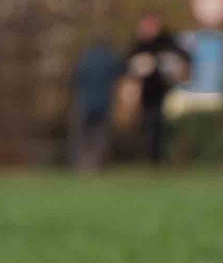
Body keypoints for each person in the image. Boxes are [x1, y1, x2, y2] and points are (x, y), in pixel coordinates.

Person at [123, 14, 190, 164]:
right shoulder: (139, 45)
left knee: (161, 125)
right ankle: (146, 156)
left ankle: (159, 157)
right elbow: (127, 63)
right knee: (146, 124)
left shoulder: (167, 42)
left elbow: (184, 57)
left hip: (167, 91)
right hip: (145, 93)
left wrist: (179, 71)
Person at [69, 41, 121, 169]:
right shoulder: (110, 59)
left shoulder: (85, 59)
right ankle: (96, 163)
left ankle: (80, 164)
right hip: (103, 103)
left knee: (82, 135)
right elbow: (120, 73)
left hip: (85, 102)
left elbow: (75, 79)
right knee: (99, 134)